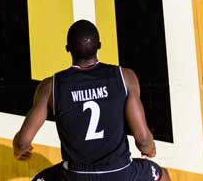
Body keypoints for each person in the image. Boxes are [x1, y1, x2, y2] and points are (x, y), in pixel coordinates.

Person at [12, 20, 170, 181]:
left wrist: (19, 150)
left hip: (76, 176)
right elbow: (143, 139)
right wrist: (149, 149)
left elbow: (23, 141)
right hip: (119, 173)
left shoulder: (50, 87)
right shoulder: (125, 77)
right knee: (162, 175)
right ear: (99, 45)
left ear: (68, 49)